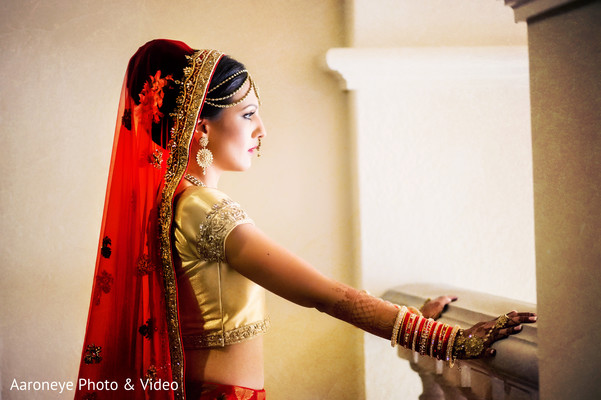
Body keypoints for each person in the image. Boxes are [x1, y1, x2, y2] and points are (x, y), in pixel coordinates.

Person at [75, 39, 536, 400]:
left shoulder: (177, 203)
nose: (262, 131)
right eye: (249, 114)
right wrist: (448, 342)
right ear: (201, 127)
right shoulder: (204, 208)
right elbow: (324, 295)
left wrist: (412, 319)